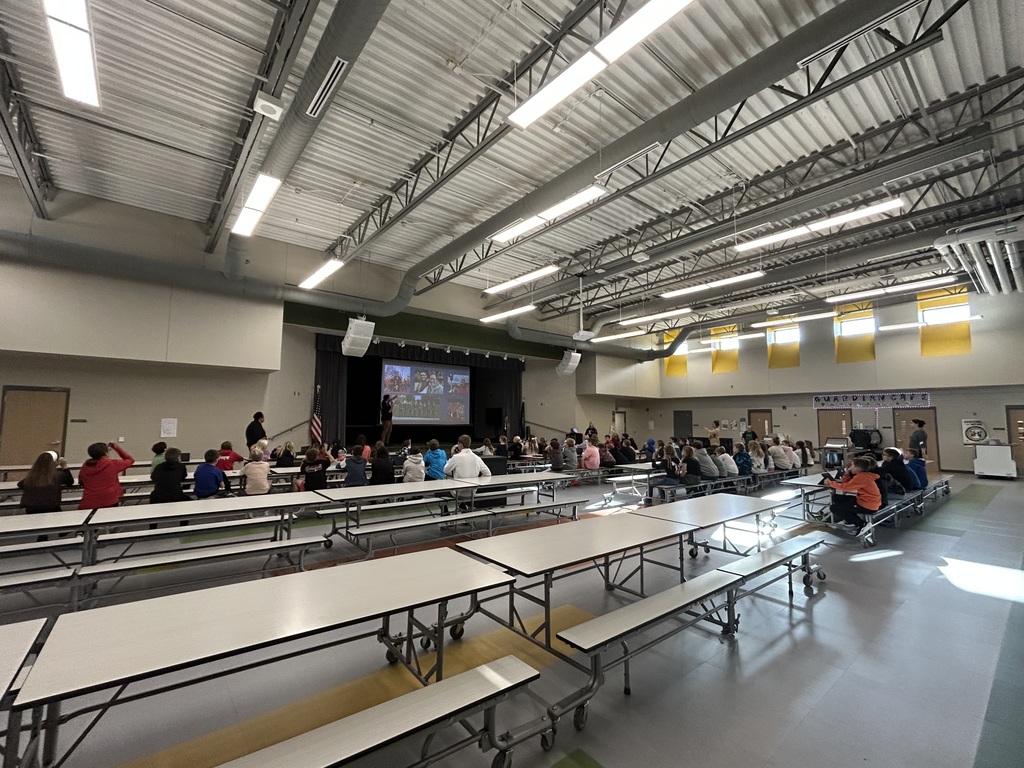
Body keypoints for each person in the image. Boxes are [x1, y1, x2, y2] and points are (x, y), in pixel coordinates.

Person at [825, 457, 882, 535]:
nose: (850, 467)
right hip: (866, 500)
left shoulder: (861, 477)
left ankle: (861, 524)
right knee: (836, 498)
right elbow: (846, 485)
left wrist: (830, 483)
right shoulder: (864, 475)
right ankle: (849, 519)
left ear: (857, 468)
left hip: (868, 505)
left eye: (852, 465)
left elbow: (846, 488)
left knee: (834, 508)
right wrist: (847, 473)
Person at [79, 442, 134, 510]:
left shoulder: (85, 466)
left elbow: (81, 481)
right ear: (105, 453)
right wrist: (117, 448)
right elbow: (130, 460)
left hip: (89, 501)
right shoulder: (112, 464)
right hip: (110, 501)